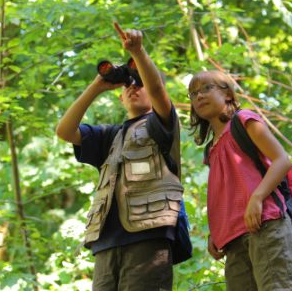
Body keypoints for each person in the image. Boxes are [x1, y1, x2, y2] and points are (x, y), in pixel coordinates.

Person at [56, 22, 184, 291]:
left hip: (148, 237)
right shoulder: (110, 137)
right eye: (128, 85)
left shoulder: (162, 124)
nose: (133, 87)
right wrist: (97, 86)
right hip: (106, 244)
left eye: (141, 83)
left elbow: (159, 92)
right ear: (120, 98)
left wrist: (138, 53)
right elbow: (65, 131)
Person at [188, 70, 292, 291]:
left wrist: (257, 197)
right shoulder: (211, 149)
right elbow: (223, 194)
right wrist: (214, 233)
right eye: (193, 93)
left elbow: (282, 160)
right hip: (233, 240)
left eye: (207, 88)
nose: (199, 96)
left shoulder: (244, 121)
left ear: (228, 94)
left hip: (265, 225)